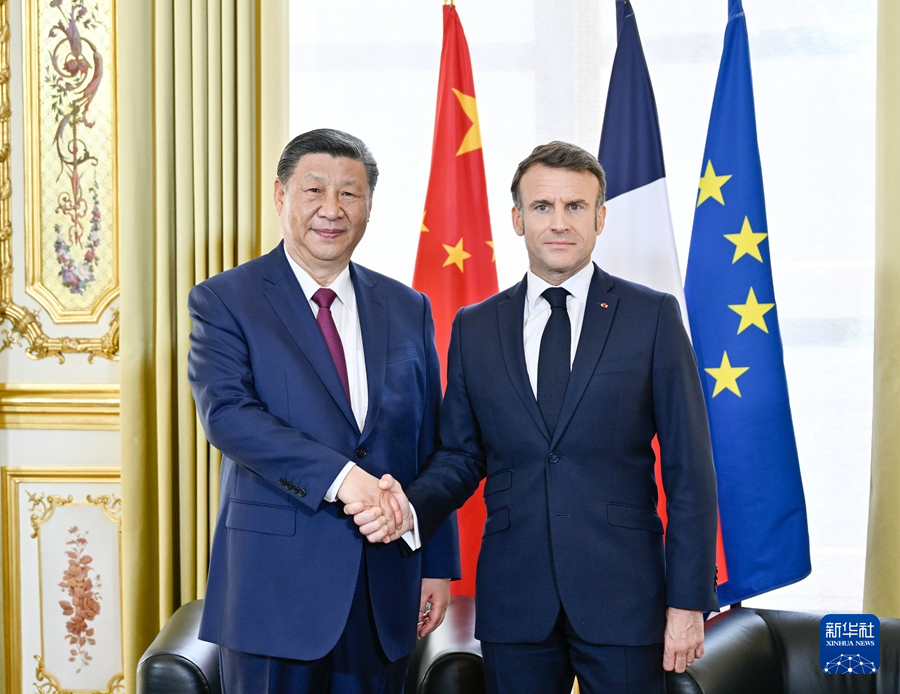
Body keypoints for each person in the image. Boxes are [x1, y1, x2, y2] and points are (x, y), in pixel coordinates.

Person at [350, 141, 719, 694]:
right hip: (515, 599)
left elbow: (690, 470)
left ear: (600, 218)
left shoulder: (652, 316)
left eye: (575, 207)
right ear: (518, 219)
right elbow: (461, 455)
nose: (559, 222)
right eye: (543, 206)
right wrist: (407, 506)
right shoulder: (475, 326)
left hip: (624, 596)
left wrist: (687, 601)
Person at [187, 128, 460, 694]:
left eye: (349, 194)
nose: (331, 210)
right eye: (314, 190)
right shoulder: (225, 299)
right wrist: (344, 478)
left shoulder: (408, 306)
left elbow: (430, 443)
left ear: (369, 206)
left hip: (385, 584)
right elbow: (229, 416)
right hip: (273, 590)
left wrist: (434, 562)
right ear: (281, 196)